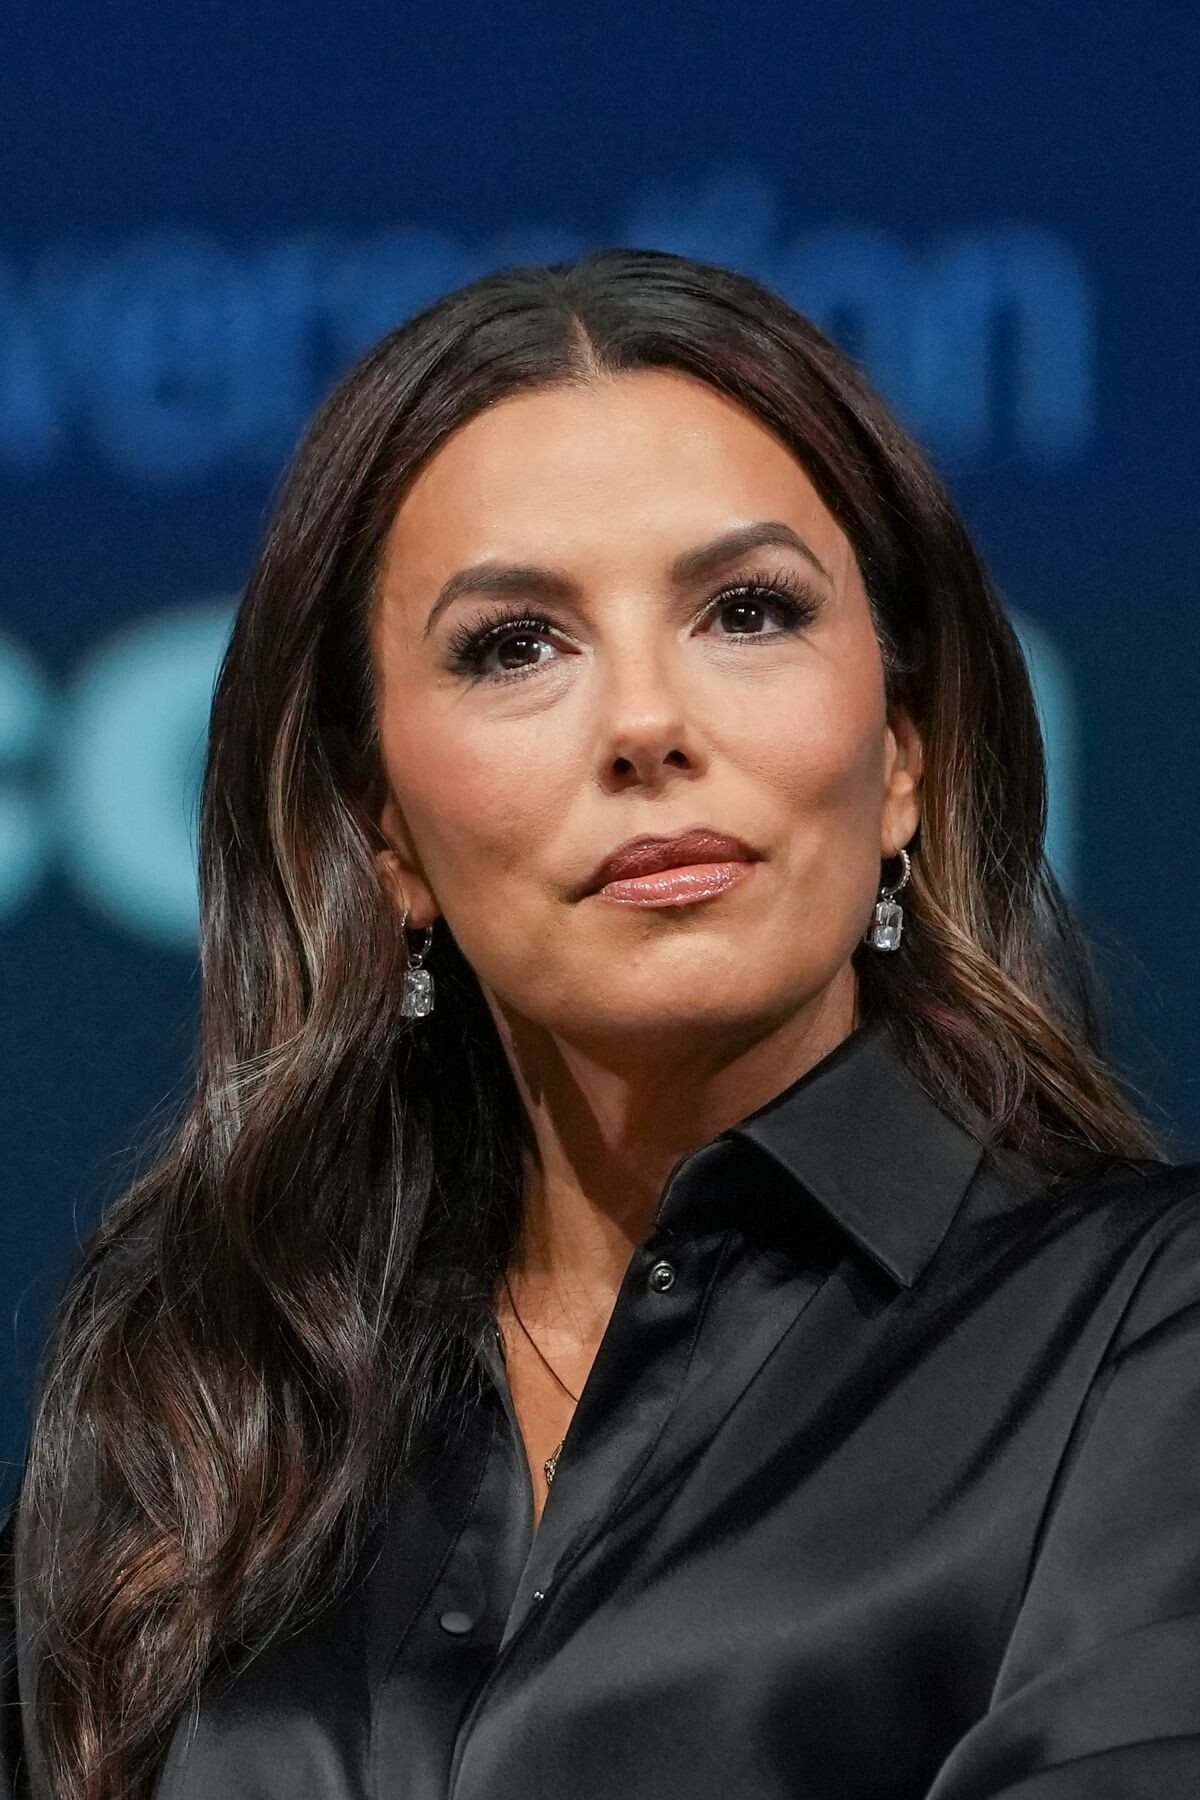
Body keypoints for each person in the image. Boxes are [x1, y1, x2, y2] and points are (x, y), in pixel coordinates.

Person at [2, 247, 1198, 1800]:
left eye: (749, 612)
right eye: (514, 644)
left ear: (905, 750)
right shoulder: (204, 1416)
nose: (646, 722)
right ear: (383, 830)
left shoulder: (1144, 1347)